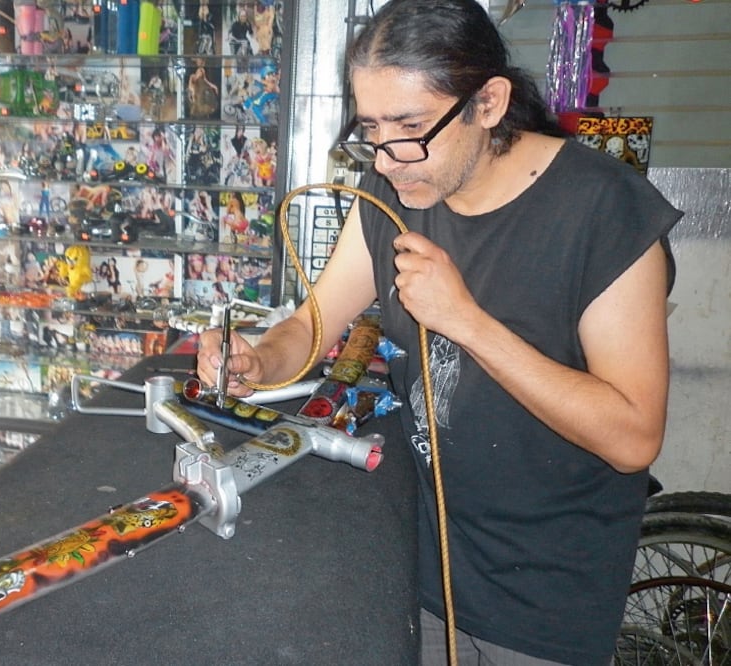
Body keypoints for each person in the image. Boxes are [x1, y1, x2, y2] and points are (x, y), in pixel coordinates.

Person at [195, 1, 682, 664]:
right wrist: (254, 360)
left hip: (543, 603)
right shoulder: (390, 190)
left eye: (411, 128)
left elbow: (632, 437)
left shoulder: (601, 210)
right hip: (416, 568)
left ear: (488, 102)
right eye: (371, 131)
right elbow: (311, 327)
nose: (390, 160)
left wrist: (465, 321)